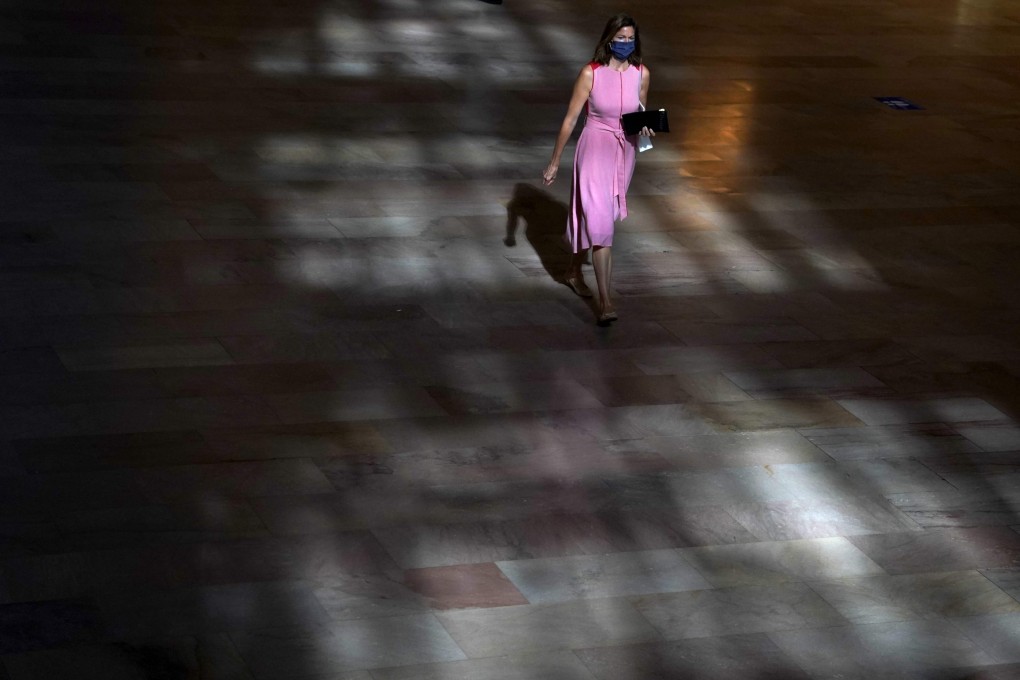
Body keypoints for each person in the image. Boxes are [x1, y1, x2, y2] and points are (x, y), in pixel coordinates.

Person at [543, 13, 653, 325]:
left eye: (630, 39)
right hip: (593, 149)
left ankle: (572, 271)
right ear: (608, 40)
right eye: (620, 39)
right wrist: (554, 162)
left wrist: (646, 127)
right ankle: (606, 301)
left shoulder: (642, 74)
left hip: (624, 152)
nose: (626, 44)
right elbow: (570, 119)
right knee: (602, 224)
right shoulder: (590, 74)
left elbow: (640, 111)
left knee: (593, 217)